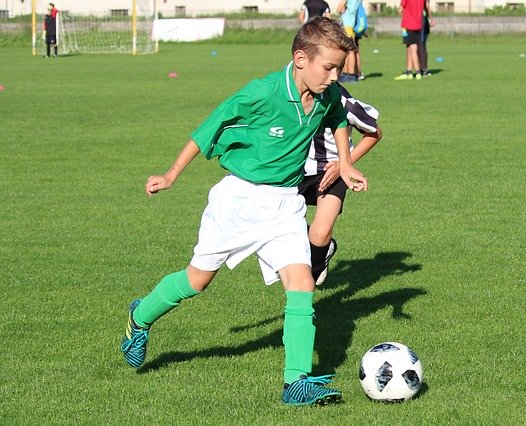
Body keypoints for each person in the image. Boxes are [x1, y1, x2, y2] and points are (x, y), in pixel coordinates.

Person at [120, 17, 365, 406]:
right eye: (329, 67)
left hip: (286, 203)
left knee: (302, 285)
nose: (335, 76)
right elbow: (207, 128)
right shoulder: (262, 93)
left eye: (339, 67)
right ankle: (141, 317)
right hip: (239, 202)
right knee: (197, 280)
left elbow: (338, 119)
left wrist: (346, 163)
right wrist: (170, 175)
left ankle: (295, 383)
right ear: (301, 59)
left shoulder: (326, 94)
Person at [299, 82, 382, 285]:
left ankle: (308, 279)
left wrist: (344, 164)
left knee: (320, 232)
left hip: (332, 172)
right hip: (293, 172)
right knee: (281, 227)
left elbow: (374, 133)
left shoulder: (344, 102)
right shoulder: (288, 98)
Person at [394, 0, 425, 80]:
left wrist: (401, 12)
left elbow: (400, 9)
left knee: (412, 48)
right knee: (408, 47)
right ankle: (409, 72)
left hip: (409, 24)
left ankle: (418, 72)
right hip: (418, 25)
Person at [336, 0, 362, 83]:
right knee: (351, 50)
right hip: (351, 25)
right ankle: (349, 74)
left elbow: (339, 9)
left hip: (347, 26)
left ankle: (350, 75)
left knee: (349, 51)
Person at [417, 0, 435, 77]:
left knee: (420, 45)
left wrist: (430, 19)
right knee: (421, 45)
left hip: (422, 21)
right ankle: (423, 69)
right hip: (422, 20)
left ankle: (424, 69)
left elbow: (427, 6)